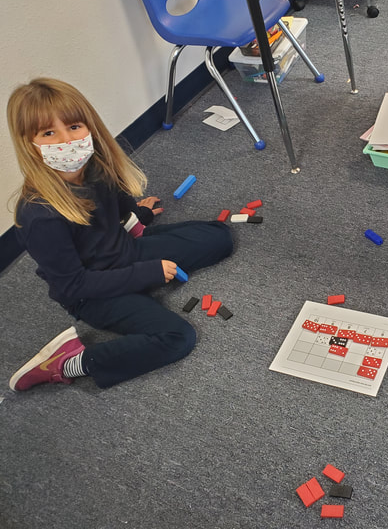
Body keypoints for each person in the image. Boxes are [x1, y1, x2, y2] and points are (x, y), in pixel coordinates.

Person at [6, 78, 233, 390]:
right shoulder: (38, 216)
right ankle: (66, 363)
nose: (67, 140)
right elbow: (73, 285)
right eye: (48, 133)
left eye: (74, 126)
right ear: (28, 143)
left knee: (220, 237)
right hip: (92, 294)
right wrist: (147, 273)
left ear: (89, 126)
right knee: (178, 337)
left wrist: (137, 215)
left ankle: (142, 266)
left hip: (125, 251)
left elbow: (117, 206)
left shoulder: (96, 166)